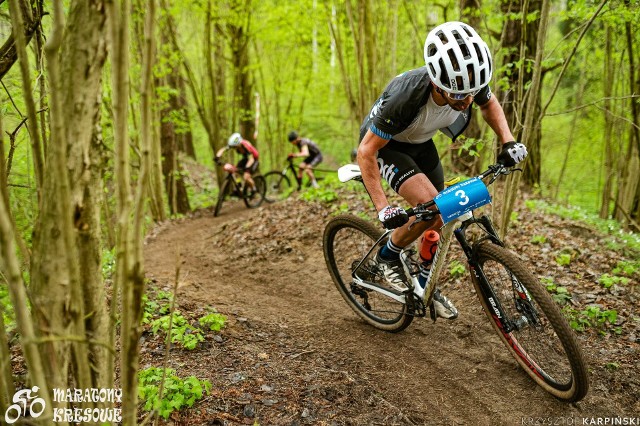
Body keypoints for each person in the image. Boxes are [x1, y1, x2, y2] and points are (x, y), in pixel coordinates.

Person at [357, 21, 527, 320]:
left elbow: (489, 104)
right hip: (387, 147)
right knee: (435, 210)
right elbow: (366, 151)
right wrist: (382, 208)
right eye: (459, 97)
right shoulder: (406, 97)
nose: (468, 102)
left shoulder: (466, 80)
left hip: (421, 142)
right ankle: (388, 256)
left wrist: (508, 141)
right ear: (437, 84)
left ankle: (424, 281)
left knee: (441, 212)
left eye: (472, 93)